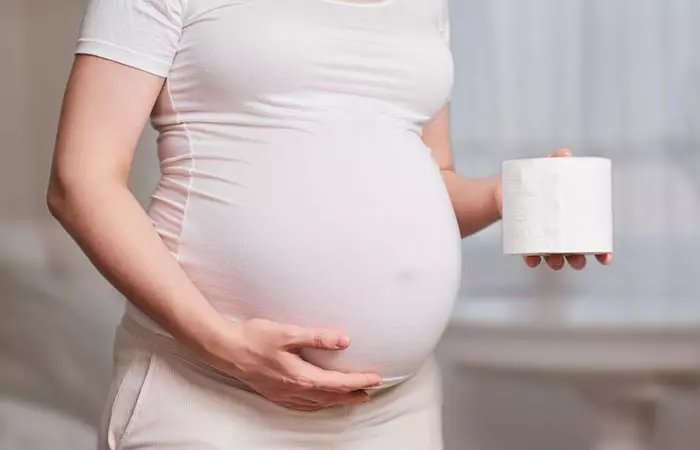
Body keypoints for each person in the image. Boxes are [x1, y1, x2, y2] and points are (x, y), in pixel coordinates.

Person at [47, 0, 612, 448]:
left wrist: (500, 197)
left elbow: (430, 174)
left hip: (394, 414)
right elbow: (81, 180)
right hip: (208, 397)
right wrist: (224, 345)